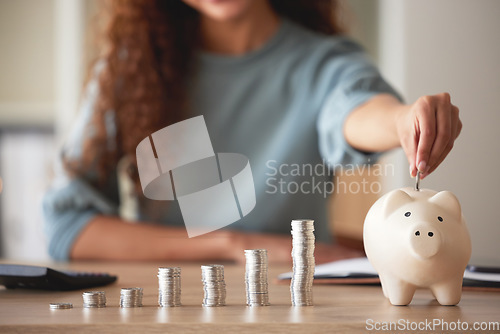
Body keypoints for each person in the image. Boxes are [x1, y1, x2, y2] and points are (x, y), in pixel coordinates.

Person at [43, 0, 461, 263]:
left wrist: (404, 120)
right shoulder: (131, 71)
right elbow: (67, 227)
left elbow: (355, 110)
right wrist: (234, 244)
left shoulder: (324, 63)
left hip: (302, 312)